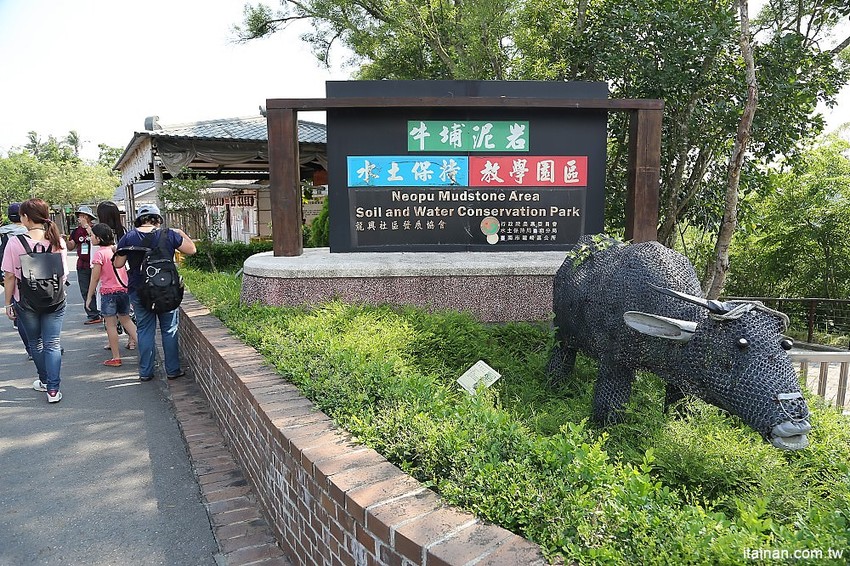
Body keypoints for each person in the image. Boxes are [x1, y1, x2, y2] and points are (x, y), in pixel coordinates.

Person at [114, 204, 196, 382]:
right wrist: (180, 232)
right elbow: (192, 250)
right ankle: (172, 370)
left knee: (144, 330)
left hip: (139, 290)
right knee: (169, 329)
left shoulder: (129, 236)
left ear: (139, 219)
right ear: (158, 219)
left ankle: (145, 372)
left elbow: (118, 264)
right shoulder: (168, 234)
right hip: (167, 290)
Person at [2, 198, 69, 403]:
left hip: (26, 300)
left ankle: (45, 381)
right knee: (52, 343)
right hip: (55, 300)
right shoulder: (57, 240)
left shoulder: (16, 242)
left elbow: (10, 276)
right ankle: (53, 390)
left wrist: (7, 304)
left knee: (36, 342)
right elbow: (64, 274)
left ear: (25, 218)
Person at [87, 223, 137, 367]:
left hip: (108, 293)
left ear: (99, 237)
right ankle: (148, 350)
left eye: (92, 235)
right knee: (127, 321)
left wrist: (90, 296)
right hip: (123, 290)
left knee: (111, 325)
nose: (90, 238)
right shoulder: (116, 250)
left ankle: (116, 357)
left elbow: (95, 277)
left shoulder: (99, 253)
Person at [1, 203, 31, 358]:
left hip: (9, 276)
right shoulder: (31, 231)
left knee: (19, 312)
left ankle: (30, 348)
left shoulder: (2, 234)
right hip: (33, 275)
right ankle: (43, 346)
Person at [65, 205, 102, 325]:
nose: (79, 219)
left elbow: (97, 240)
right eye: (79, 216)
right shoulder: (76, 231)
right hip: (82, 264)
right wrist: (65, 240)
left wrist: (87, 227)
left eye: (81, 216)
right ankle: (93, 314)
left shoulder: (96, 229)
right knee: (85, 289)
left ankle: (104, 311)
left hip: (96, 263)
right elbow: (71, 246)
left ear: (87, 217)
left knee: (100, 288)